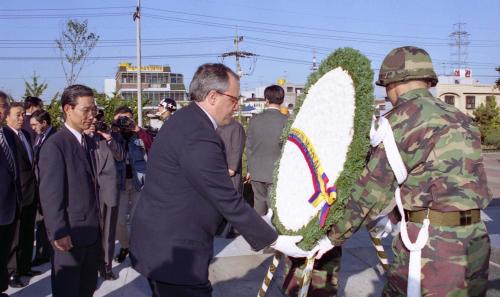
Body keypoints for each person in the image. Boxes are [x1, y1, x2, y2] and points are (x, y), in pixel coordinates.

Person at [313, 46, 492, 296]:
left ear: (390, 82)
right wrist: (396, 215)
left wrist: (332, 237)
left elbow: (369, 192)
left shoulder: (398, 121)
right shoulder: (460, 117)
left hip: (433, 248)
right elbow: (441, 179)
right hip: (476, 239)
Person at [130, 63, 309, 297]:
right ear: (213, 96)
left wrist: (259, 221)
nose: (236, 107)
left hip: (165, 242)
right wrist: (274, 240)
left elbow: (199, 191)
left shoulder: (186, 119)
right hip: (175, 250)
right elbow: (224, 196)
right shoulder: (198, 134)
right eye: (233, 100)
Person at [38, 84, 101, 297]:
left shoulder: (88, 142)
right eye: (86, 110)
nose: (91, 115)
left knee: (86, 289)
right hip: (69, 236)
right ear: (68, 109)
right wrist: (59, 232)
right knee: (68, 290)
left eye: (93, 109)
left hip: (91, 232)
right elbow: (50, 194)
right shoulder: (55, 145)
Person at [83, 113, 125, 281]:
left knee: (108, 231)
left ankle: (106, 266)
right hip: (86, 194)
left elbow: (120, 156)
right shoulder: (79, 140)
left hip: (108, 191)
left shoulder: (109, 138)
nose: (93, 122)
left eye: (97, 120)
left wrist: (108, 137)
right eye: (90, 119)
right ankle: (89, 265)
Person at [3, 102, 40, 288]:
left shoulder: (26, 134)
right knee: (14, 237)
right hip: (16, 194)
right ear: (7, 116)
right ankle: (12, 272)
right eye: (17, 115)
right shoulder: (5, 136)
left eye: (22, 115)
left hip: (31, 192)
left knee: (27, 233)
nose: (21, 118)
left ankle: (25, 266)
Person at [112, 106, 151, 264]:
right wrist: (113, 130)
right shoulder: (112, 135)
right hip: (119, 182)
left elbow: (151, 146)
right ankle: (125, 246)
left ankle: (135, 249)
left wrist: (137, 128)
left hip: (138, 181)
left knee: (137, 219)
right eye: (120, 119)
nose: (123, 122)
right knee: (119, 222)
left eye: (126, 118)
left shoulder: (139, 133)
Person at [246, 85, 288, 215]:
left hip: (257, 171)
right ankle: (274, 234)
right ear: (282, 100)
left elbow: (249, 146)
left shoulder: (254, 120)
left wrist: (249, 170)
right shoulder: (287, 121)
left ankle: (259, 233)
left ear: (266, 100)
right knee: (275, 208)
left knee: (259, 204)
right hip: (278, 172)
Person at [29, 109, 56, 267]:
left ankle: (46, 253)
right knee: (41, 221)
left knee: (48, 221)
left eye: (34, 125)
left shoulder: (54, 138)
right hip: (39, 187)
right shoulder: (39, 137)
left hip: (49, 187)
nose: (32, 128)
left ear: (44, 123)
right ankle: (43, 252)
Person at [0, 91, 19, 297]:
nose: (2, 110)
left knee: (3, 255)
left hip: (9, 207)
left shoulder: (7, 134)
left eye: (4, 105)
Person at [216, 117, 246, 237]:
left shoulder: (236, 127)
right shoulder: (216, 125)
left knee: (232, 200)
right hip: (217, 169)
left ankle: (231, 229)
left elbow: (237, 148)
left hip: (230, 171)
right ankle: (220, 228)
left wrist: (232, 168)